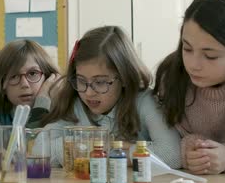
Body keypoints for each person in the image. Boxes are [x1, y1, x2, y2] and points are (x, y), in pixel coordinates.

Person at [154, 0, 225, 174]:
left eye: (210, 56)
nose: (193, 64)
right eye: (187, 49)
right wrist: (191, 149)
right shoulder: (172, 76)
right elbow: (174, 136)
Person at [41, 26, 181, 168]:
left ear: (124, 77)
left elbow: (173, 155)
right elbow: (38, 150)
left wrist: (111, 154)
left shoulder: (144, 101)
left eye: (100, 82)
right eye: (81, 80)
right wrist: (96, 146)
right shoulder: (75, 105)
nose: (89, 93)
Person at [0, 39, 60, 128]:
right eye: (14, 76)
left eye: (33, 73)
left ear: (48, 77)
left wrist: (42, 101)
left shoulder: (60, 111)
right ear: (2, 83)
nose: (24, 84)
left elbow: (37, 140)